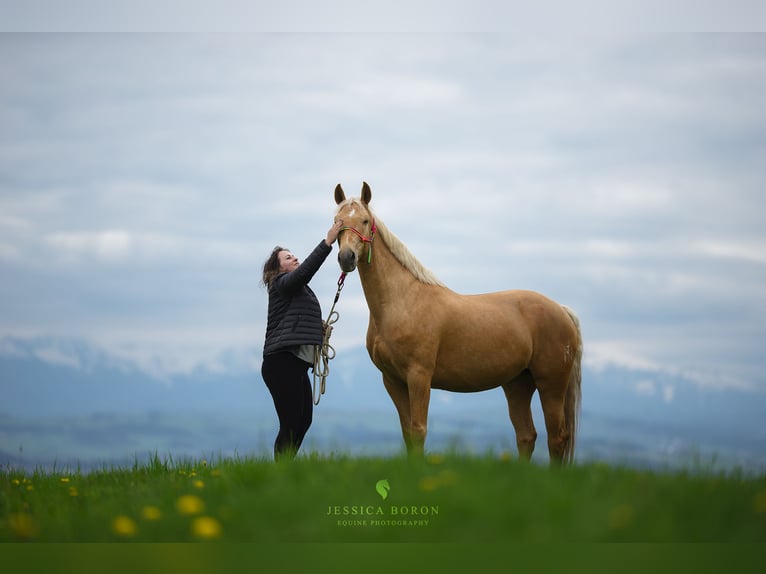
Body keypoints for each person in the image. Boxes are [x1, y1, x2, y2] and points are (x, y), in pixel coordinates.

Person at [260, 219, 345, 460]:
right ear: (277, 270)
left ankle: (285, 467)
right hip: (280, 363)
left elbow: (296, 319)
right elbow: (305, 271)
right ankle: (281, 474)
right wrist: (328, 242)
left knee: (303, 420)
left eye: (294, 255)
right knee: (290, 423)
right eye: (288, 258)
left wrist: (318, 330)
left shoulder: (296, 289)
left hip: (294, 364)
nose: (294, 259)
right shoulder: (280, 283)